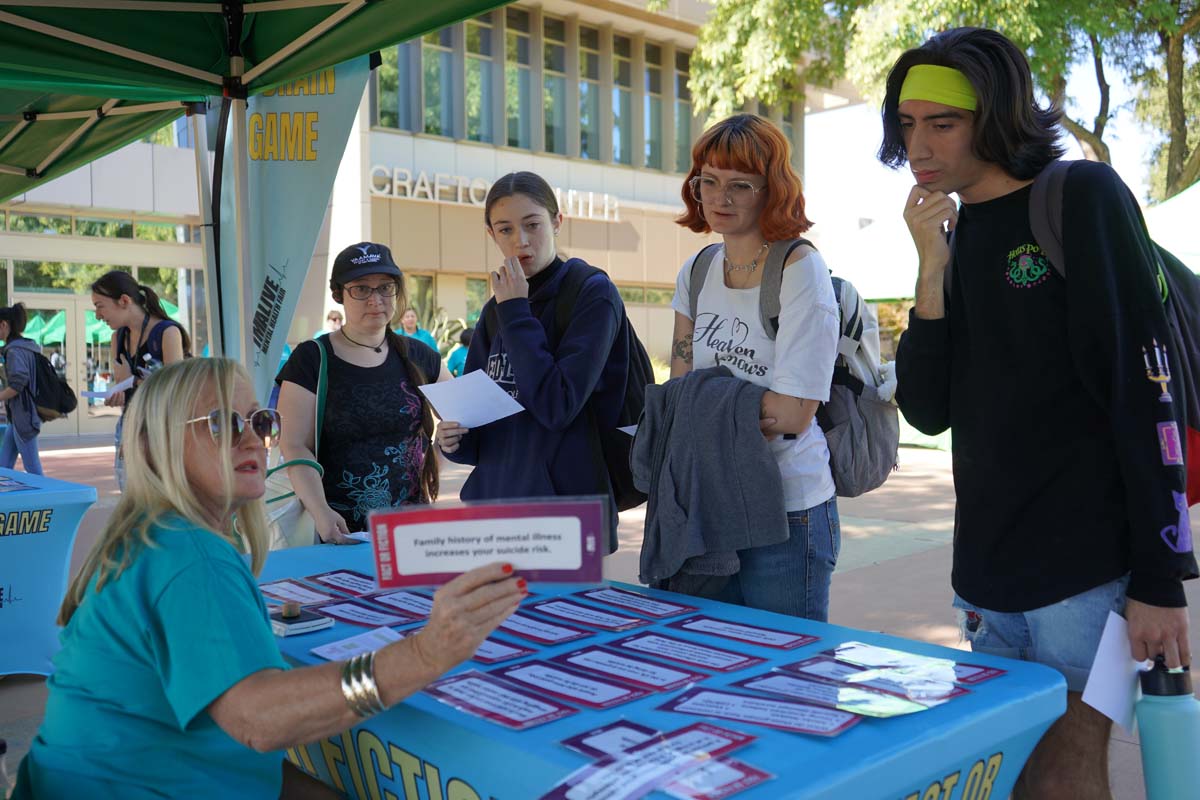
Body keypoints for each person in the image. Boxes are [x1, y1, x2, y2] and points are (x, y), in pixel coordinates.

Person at [883, 28, 1197, 799]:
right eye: (907, 124)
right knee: (1016, 774)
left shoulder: (1081, 197)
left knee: (1065, 772)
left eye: (942, 123)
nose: (918, 145)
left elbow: (1146, 390)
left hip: (1091, 572)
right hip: (986, 576)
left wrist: (1160, 579)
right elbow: (925, 410)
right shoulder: (952, 232)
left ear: (995, 117)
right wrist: (930, 270)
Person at [12, 357, 523, 800]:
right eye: (221, 423)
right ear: (153, 446)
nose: (251, 439)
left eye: (259, 421)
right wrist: (427, 653)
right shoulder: (187, 555)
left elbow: (230, 742)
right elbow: (258, 720)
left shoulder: (154, 534)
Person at [664, 113, 841, 620]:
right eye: (709, 182)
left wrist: (708, 408)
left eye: (740, 184)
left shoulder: (799, 268)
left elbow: (794, 414)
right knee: (708, 650)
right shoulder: (697, 270)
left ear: (772, 190)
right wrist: (736, 410)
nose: (720, 198)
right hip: (711, 502)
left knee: (788, 660)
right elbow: (679, 389)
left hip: (788, 508)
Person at [436, 171, 630, 549]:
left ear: (557, 222)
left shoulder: (592, 294)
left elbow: (558, 406)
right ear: (491, 234)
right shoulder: (497, 308)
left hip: (564, 513)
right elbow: (477, 426)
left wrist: (515, 312)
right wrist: (453, 439)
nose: (520, 241)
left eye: (532, 224)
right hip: (494, 504)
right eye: (505, 229)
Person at [276, 242, 450, 543]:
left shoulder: (420, 355)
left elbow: (465, 417)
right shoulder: (312, 359)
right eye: (361, 289)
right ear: (338, 294)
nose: (376, 299)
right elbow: (294, 444)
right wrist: (320, 511)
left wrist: (440, 450)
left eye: (385, 287)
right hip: (338, 532)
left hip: (410, 529)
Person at [91, 271, 191, 489]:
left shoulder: (167, 332)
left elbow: (175, 390)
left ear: (124, 301)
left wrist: (132, 381)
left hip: (162, 429)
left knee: (163, 499)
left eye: (100, 306)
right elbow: (124, 385)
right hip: (130, 428)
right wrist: (117, 393)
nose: (97, 315)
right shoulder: (118, 338)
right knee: (131, 498)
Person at [0, 303, 44, 475]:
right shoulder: (26, 347)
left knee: (33, 470)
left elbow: (18, 383)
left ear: (3, 325)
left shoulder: (14, 351)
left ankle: (44, 494)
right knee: (4, 467)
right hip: (21, 416)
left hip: (23, 416)